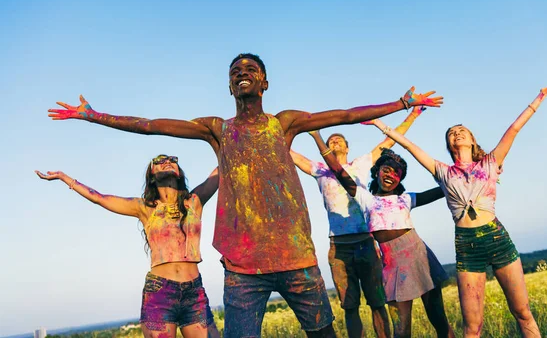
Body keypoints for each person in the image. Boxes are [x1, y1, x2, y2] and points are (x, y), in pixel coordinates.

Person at [48, 53, 443, 337]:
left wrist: (402, 103)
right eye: (235, 70)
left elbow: (343, 115)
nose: (242, 73)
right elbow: (152, 126)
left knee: (323, 332)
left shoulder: (283, 124)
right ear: (229, 85)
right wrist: (92, 115)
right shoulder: (218, 129)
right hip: (242, 268)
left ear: (265, 82)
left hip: (295, 257)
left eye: (251, 69)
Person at [366, 80, 547, 337]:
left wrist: (539, 97)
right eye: (452, 133)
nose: (457, 133)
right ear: (450, 145)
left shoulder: (492, 162)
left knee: (522, 312)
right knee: (472, 327)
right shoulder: (442, 171)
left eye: (463, 131)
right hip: (466, 244)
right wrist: (380, 124)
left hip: (497, 238)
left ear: (472, 140)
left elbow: (514, 129)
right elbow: (409, 146)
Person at [36, 154, 220, 338]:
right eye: (159, 161)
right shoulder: (145, 208)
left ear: (178, 172)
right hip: (160, 294)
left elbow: (224, 167)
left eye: (172, 160)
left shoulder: (194, 202)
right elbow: (100, 198)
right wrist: (64, 177)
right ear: (152, 176)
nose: (166, 162)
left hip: (194, 293)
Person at [289, 106, 426, 338]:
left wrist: (413, 114)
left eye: (338, 140)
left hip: (365, 241)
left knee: (377, 301)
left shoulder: (362, 164)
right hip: (339, 246)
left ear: (347, 147)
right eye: (330, 140)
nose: (334, 143)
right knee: (349, 305)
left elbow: (389, 142)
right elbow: (288, 152)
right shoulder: (320, 169)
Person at [309, 130, 454, 338]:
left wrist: (470, 175)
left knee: (439, 319)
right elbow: (339, 172)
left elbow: (445, 187)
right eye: (387, 170)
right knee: (401, 331)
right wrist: (318, 139)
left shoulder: (406, 199)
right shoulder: (365, 199)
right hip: (393, 265)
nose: (391, 176)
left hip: (419, 256)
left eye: (397, 173)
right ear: (377, 172)